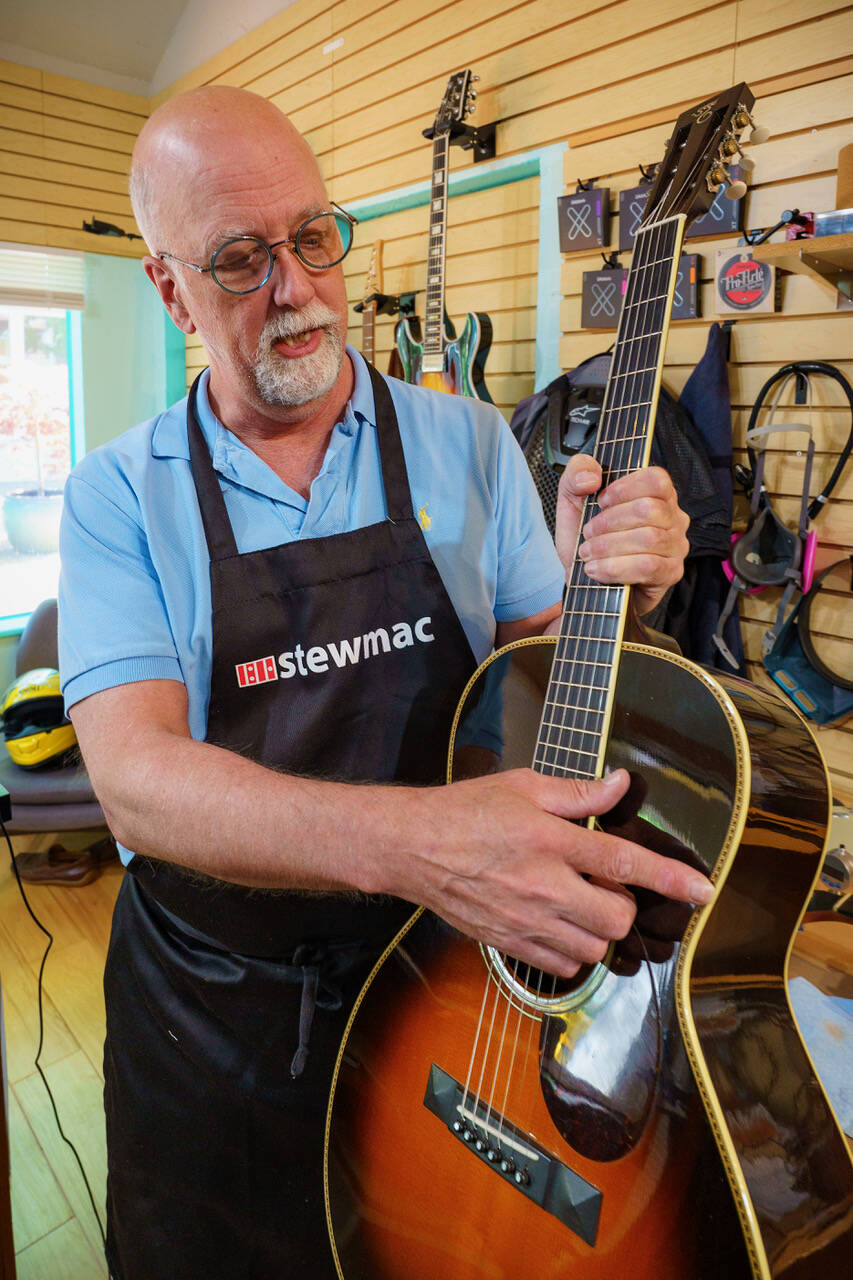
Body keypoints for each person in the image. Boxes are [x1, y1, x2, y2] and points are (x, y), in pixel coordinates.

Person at [58, 85, 703, 1279]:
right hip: (215, 1015)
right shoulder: (118, 494)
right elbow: (138, 783)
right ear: (167, 287)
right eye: (241, 259)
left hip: (447, 983)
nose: (296, 288)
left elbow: (545, 683)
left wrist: (609, 585)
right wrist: (421, 844)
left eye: (313, 237)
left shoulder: (467, 441)